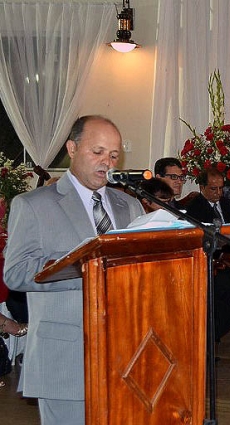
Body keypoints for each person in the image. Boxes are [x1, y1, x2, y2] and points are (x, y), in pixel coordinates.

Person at [3, 115, 144, 425]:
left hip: (126, 353)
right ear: (72, 148)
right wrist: (84, 269)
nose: (107, 162)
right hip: (65, 355)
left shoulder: (129, 205)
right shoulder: (33, 204)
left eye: (114, 155)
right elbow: (15, 273)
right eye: (98, 151)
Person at [184, 168, 230, 341]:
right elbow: (198, 242)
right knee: (224, 286)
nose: (218, 193)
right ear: (202, 187)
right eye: (213, 189)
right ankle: (211, 338)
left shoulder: (227, 204)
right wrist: (220, 257)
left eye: (221, 188)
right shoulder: (195, 208)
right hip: (212, 259)